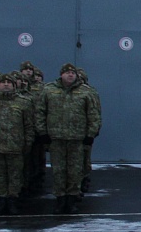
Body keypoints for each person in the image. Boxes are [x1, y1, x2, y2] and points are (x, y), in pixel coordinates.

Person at [38, 63, 101, 214]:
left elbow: (93, 115)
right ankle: (60, 200)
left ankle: (72, 200)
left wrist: (90, 134)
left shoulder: (85, 92)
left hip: (77, 139)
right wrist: (43, 133)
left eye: (73, 73)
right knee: (59, 171)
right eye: (67, 73)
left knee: (74, 171)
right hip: (56, 139)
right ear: (61, 75)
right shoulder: (49, 90)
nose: (70, 75)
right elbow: (40, 112)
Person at [0, 74, 34, 215]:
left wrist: (28, 142)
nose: (6, 85)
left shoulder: (24, 102)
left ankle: (13, 200)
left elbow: (28, 125)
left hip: (16, 145)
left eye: (9, 82)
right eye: (3, 82)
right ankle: (1, 200)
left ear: (14, 85)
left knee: (15, 175)